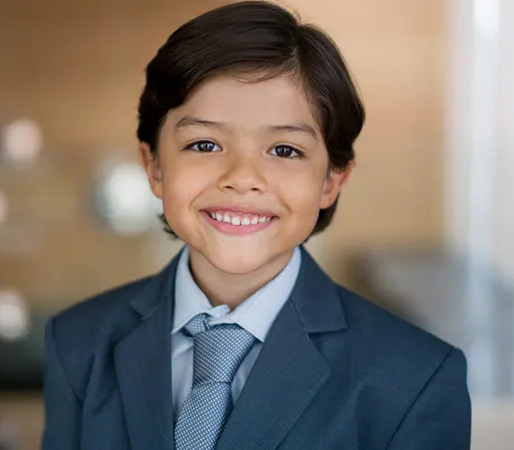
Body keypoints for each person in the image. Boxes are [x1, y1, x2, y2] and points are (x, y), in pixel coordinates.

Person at [42, 2, 471, 449]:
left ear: (331, 181)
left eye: (285, 150)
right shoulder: (77, 343)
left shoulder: (415, 379)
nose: (243, 178)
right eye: (204, 143)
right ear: (153, 167)